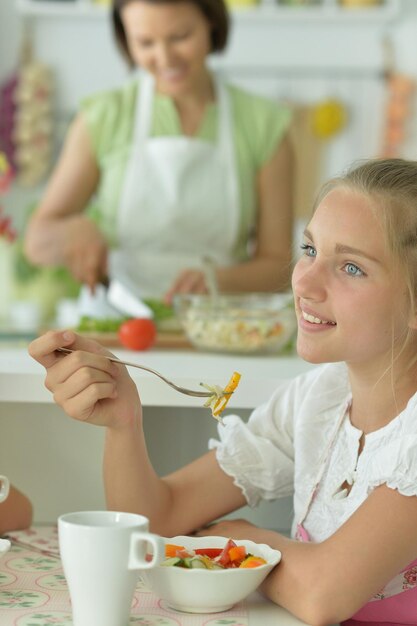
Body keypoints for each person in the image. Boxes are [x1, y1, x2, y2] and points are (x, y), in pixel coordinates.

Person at [28, 157, 417, 626]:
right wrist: (123, 423)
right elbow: (157, 522)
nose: (305, 283)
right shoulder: (318, 400)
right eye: (310, 250)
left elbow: (321, 596)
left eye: (351, 267)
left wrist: (251, 543)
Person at [24, 0, 293, 305]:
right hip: (121, 324)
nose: (164, 58)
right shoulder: (103, 117)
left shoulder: (264, 124)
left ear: (211, 23)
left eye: (180, 37)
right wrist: (73, 231)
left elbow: (278, 270)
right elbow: (36, 241)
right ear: (125, 39)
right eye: (145, 43)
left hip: (225, 326)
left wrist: (217, 280)